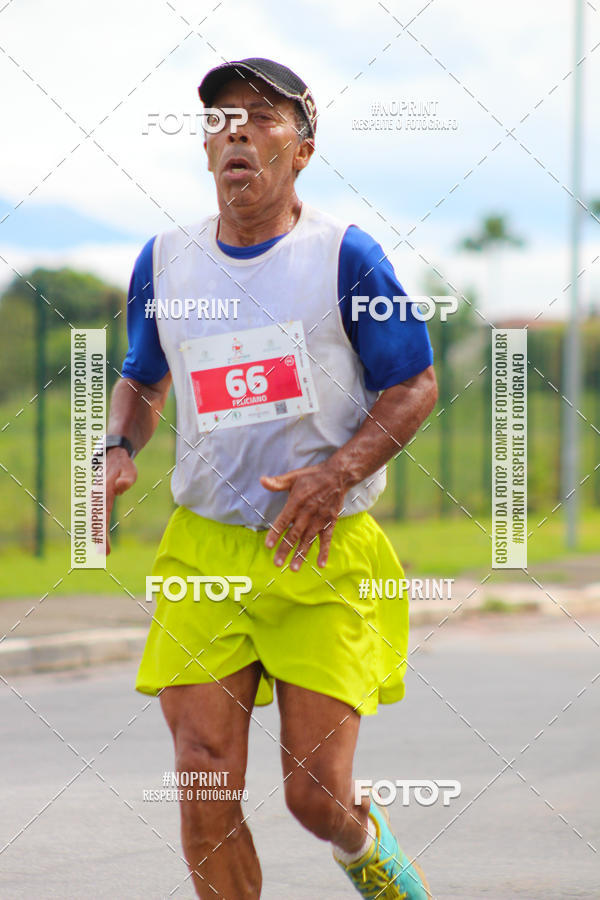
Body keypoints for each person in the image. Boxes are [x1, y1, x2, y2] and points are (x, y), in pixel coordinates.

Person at [105, 57, 437, 899]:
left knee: (315, 797)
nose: (237, 130)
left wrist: (338, 474)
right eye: (220, 118)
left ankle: (365, 848)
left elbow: (414, 383)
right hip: (205, 550)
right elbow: (144, 377)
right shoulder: (167, 260)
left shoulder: (345, 259)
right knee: (202, 769)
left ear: (304, 147)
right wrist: (116, 449)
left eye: (262, 115)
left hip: (321, 549)